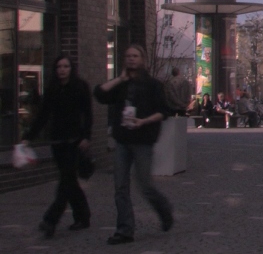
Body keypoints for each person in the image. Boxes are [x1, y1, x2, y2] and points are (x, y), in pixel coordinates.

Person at [94, 45, 173, 245]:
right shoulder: (121, 85)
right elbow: (100, 94)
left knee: (145, 185)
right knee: (120, 186)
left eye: (135, 56)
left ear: (143, 60)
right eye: (128, 56)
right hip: (122, 140)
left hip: (143, 141)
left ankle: (164, 209)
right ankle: (125, 230)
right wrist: (120, 79)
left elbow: (163, 111)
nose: (131, 59)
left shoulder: (153, 85)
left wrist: (143, 121)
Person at [23, 55, 92, 238]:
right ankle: (83, 216)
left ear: (71, 68)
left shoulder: (80, 87)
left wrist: (87, 137)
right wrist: (28, 137)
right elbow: (43, 115)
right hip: (58, 142)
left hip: (75, 141)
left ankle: (50, 220)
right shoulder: (53, 89)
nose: (62, 70)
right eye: (59, 66)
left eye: (66, 66)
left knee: (65, 183)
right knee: (69, 181)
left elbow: (88, 114)